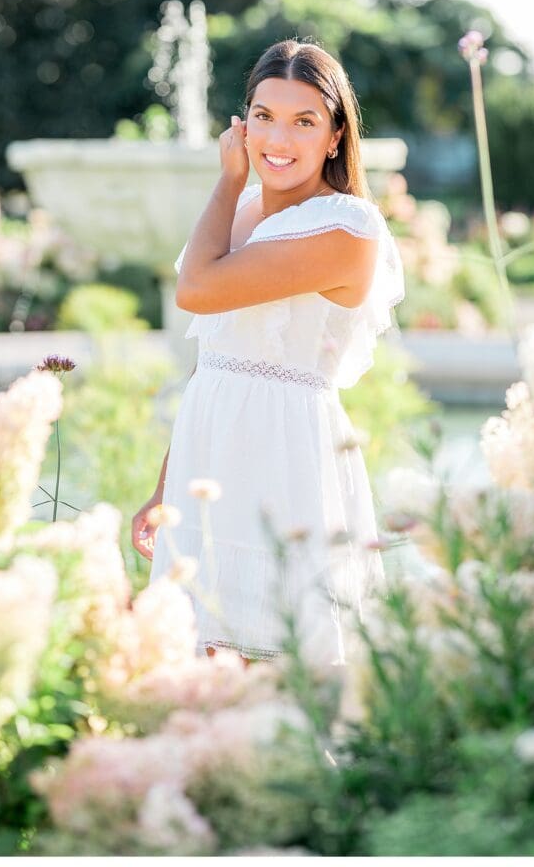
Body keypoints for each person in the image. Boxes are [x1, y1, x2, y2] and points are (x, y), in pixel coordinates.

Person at [132, 39, 405, 669]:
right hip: (211, 448)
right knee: (195, 659)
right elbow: (217, 359)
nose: (277, 138)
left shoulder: (347, 227)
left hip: (282, 461)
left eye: (304, 121)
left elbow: (196, 290)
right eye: (263, 116)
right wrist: (165, 485)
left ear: (336, 136)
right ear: (243, 122)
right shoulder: (248, 211)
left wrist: (229, 178)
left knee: (275, 665)